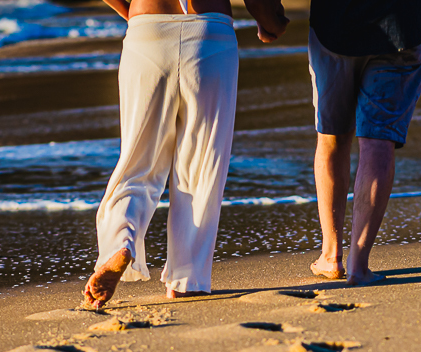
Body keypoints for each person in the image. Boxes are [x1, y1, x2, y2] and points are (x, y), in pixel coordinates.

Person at [83, 0, 289, 309]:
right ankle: (187, 280)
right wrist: (270, 21)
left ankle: (120, 243)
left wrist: (134, 13)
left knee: (138, 165)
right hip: (209, 34)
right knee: (202, 169)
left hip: (147, 32)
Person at [307, 0, 421, 285]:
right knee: (378, 139)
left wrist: (268, 14)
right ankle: (358, 265)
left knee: (332, 136)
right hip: (404, 23)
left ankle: (331, 255)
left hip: (335, 26)